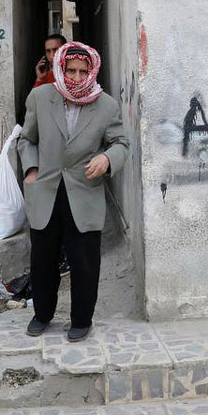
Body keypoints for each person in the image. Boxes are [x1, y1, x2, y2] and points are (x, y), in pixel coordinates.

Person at [17, 41, 128, 342]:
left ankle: (81, 320)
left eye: (83, 71)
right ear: (61, 69)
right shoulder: (40, 97)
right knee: (43, 259)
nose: (77, 78)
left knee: (84, 261)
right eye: (71, 71)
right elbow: (26, 139)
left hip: (85, 192)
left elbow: (120, 144)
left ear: (92, 71)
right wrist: (31, 169)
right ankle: (42, 314)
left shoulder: (106, 105)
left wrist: (107, 159)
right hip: (45, 190)